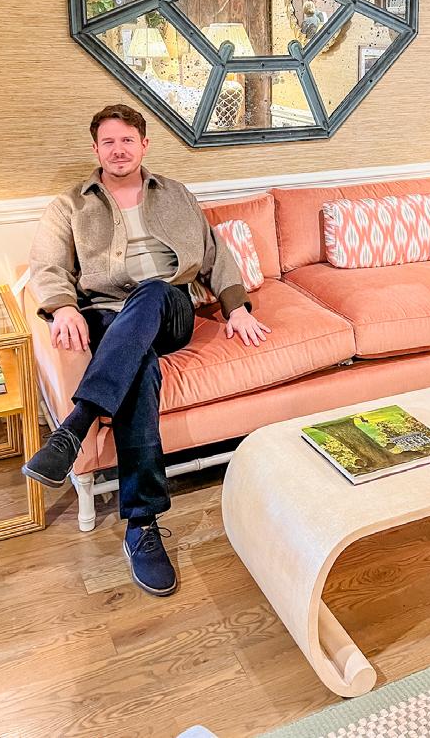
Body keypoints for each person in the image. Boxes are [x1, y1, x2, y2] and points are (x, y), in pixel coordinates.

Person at [23, 103, 270, 597]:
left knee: (154, 290)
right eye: (108, 142)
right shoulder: (69, 206)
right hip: (105, 315)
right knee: (141, 370)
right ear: (96, 149)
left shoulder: (176, 194)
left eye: (127, 141)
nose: (118, 150)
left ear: (144, 145)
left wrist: (237, 308)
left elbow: (216, 256)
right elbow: (47, 267)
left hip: (168, 308)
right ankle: (142, 524)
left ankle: (75, 425)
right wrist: (64, 307)